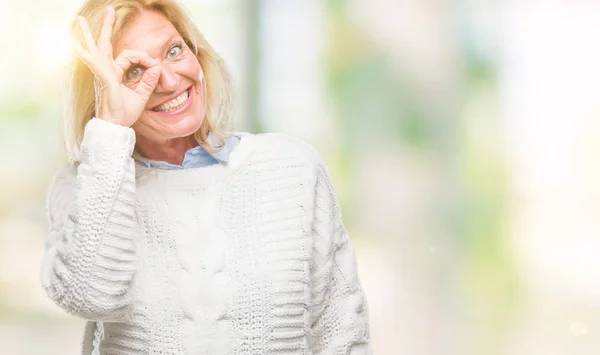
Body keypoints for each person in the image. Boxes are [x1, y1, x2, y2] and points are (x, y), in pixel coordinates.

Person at [40, 0, 372, 354]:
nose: (167, 80)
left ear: (197, 52)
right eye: (134, 71)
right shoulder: (84, 186)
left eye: (173, 50)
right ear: (100, 91)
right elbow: (92, 297)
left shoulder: (292, 169)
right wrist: (110, 128)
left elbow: (342, 333)